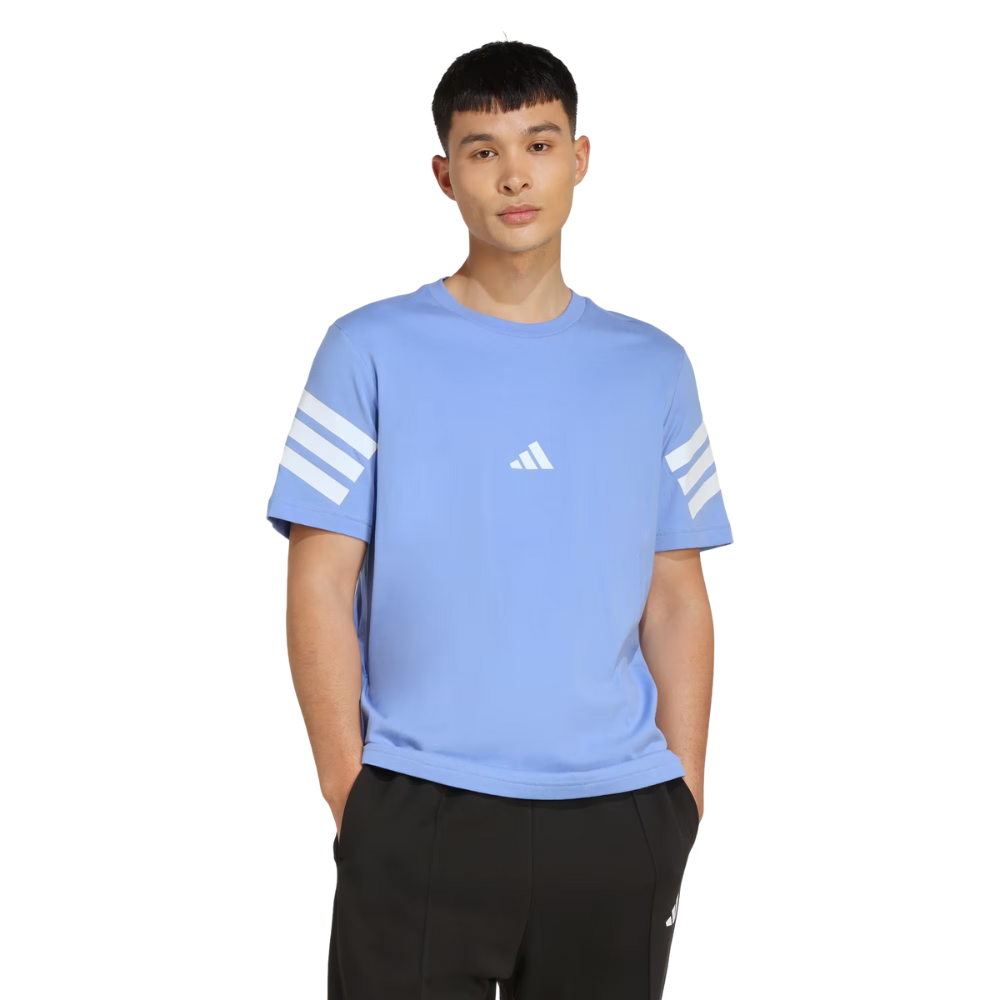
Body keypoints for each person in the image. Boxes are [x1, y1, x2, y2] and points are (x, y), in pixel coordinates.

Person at [266, 37, 734, 1000]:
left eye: (539, 144)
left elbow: (676, 593)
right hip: (420, 806)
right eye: (483, 151)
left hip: (619, 816)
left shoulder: (655, 364)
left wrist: (682, 793)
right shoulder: (365, 346)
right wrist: (351, 794)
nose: (514, 176)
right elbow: (317, 579)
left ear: (581, 160)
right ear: (445, 177)